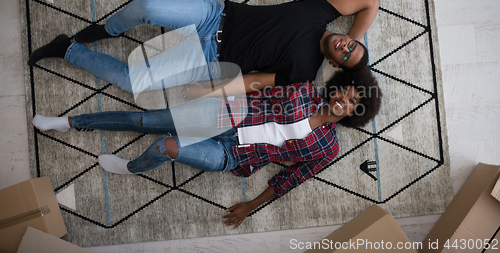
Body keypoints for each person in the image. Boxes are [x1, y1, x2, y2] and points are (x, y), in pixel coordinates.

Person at [32, 68, 382, 228]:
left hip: (233, 156)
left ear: (354, 114)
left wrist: (250, 206)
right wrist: (207, 93)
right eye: (346, 93)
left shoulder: (327, 148)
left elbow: (292, 179)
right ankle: (69, 122)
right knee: (145, 121)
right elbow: (254, 90)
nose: (344, 102)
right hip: (222, 116)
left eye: (353, 104)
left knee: (164, 146)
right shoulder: (304, 90)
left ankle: (130, 167)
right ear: (338, 88)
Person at [27, 0, 380, 94]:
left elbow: (252, 82)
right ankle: (112, 29)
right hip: (214, 16)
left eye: (345, 56)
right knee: (147, 7)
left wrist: (208, 90)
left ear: (335, 65)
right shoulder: (322, 12)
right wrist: (356, 42)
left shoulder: (304, 71)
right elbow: (370, 4)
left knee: (133, 82)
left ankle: (67, 50)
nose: (344, 47)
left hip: (208, 56)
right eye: (349, 45)